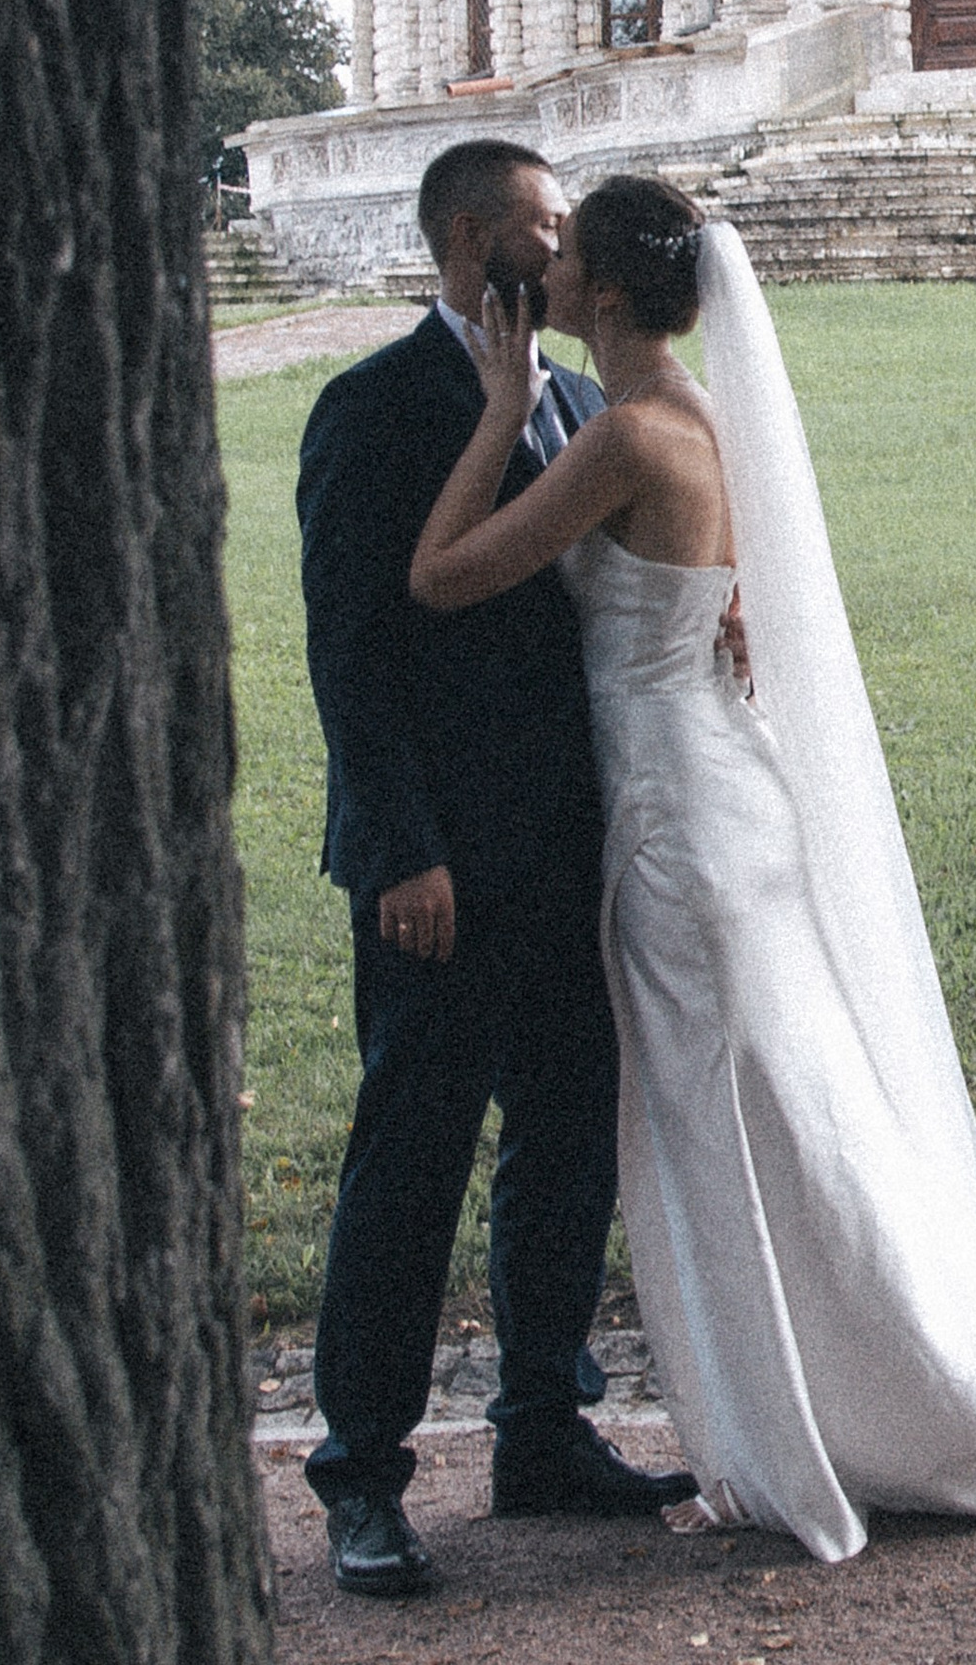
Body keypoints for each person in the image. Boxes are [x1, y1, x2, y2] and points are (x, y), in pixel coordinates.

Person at [411, 173, 976, 1564]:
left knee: (740, 1130)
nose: (538, 269)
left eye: (565, 258)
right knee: (786, 1115)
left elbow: (442, 577)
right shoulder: (694, 422)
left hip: (679, 821)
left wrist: (498, 413)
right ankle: (854, 1405)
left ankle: (843, 1423)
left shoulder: (619, 439)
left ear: (605, 298)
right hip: (719, 798)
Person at [296, 140, 695, 1599]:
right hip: (438, 868)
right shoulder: (372, 408)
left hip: (574, 850)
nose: (565, 238)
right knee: (411, 1160)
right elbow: (352, 649)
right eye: (545, 221)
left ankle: (544, 1427)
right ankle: (363, 1474)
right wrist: (400, 846)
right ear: (476, 238)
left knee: (563, 1146)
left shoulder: (587, 403)